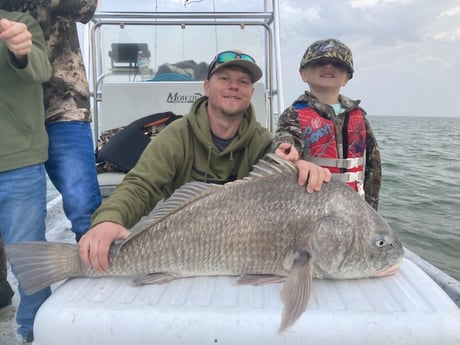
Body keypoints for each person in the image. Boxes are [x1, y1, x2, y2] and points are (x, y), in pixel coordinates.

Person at [78, 49, 331, 273]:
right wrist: (109, 219)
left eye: (243, 82)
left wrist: (301, 168)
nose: (234, 86)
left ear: (251, 93)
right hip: (178, 242)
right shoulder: (176, 135)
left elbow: (283, 188)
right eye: (224, 79)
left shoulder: (262, 142)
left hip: (235, 251)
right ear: (206, 86)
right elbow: (142, 185)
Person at [0, 0, 102, 242]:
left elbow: (87, 6)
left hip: (62, 100)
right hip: (11, 107)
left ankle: (100, 269)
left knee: (83, 206)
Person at [272, 38, 381, 210]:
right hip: (311, 207)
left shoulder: (360, 117)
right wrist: (284, 149)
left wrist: (372, 210)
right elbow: (286, 139)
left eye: (337, 64)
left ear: (347, 78)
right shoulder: (293, 114)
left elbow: (372, 167)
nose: (328, 67)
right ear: (303, 74)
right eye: (320, 62)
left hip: (355, 207)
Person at [0, 10, 52, 343]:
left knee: (27, 259)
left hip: (17, 162)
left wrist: (20, 49)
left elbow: (41, 68)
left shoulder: (19, 20)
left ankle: (35, 332)